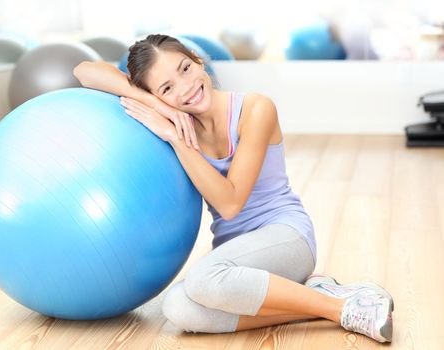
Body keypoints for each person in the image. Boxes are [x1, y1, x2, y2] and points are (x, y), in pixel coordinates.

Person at [73, 34, 394, 343]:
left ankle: (344, 309)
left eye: (185, 69)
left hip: (287, 237)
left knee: (202, 279)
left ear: (198, 61)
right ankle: (314, 300)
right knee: (177, 308)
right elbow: (83, 71)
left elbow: (229, 204)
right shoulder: (175, 117)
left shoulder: (255, 109)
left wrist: (174, 137)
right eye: (167, 88)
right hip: (238, 258)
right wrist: (153, 103)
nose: (186, 88)